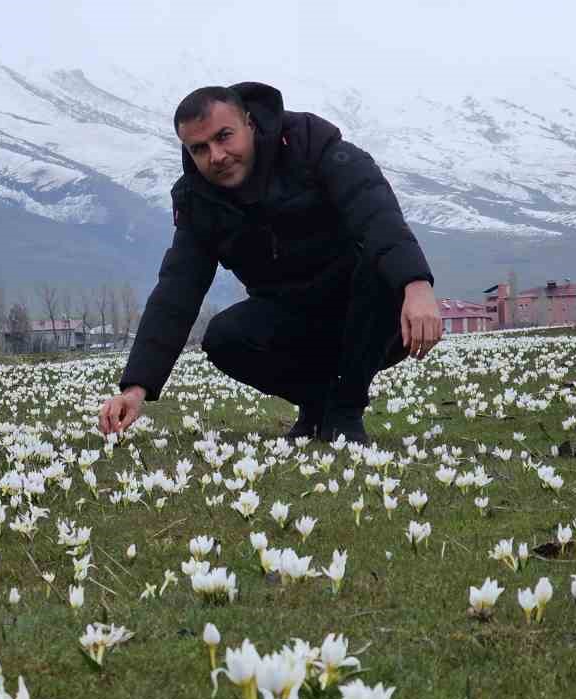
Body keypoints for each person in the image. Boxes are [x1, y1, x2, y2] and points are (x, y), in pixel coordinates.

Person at [98, 82, 442, 444]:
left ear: (249, 122)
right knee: (223, 338)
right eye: (200, 148)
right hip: (290, 317)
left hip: (366, 314)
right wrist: (136, 387)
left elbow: (376, 213)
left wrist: (415, 284)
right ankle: (317, 404)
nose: (216, 156)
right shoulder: (198, 199)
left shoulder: (312, 145)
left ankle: (344, 410)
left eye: (224, 136)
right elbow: (177, 289)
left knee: (379, 268)